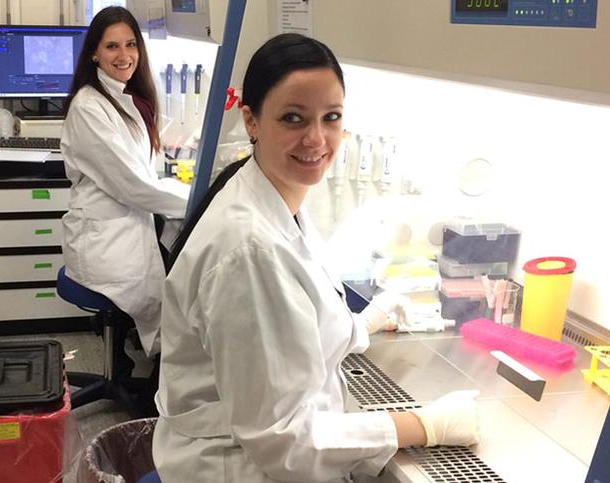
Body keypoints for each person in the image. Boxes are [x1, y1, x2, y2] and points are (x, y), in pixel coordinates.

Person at [153, 33, 480, 482]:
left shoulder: (276, 202)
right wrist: (422, 426)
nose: (316, 138)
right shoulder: (250, 250)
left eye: (332, 118)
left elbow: (290, 331)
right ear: (251, 121)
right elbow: (285, 442)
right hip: (237, 468)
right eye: (293, 118)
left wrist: (362, 325)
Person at [61, 6, 189, 364]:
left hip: (127, 228)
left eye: (130, 45)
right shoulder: (89, 106)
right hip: (106, 244)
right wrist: (200, 200)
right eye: (112, 46)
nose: (124, 55)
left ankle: (136, 367)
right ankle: (155, 383)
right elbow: (131, 184)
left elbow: (139, 174)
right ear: (94, 53)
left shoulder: (126, 98)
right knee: (176, 302)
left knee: (177, 282)